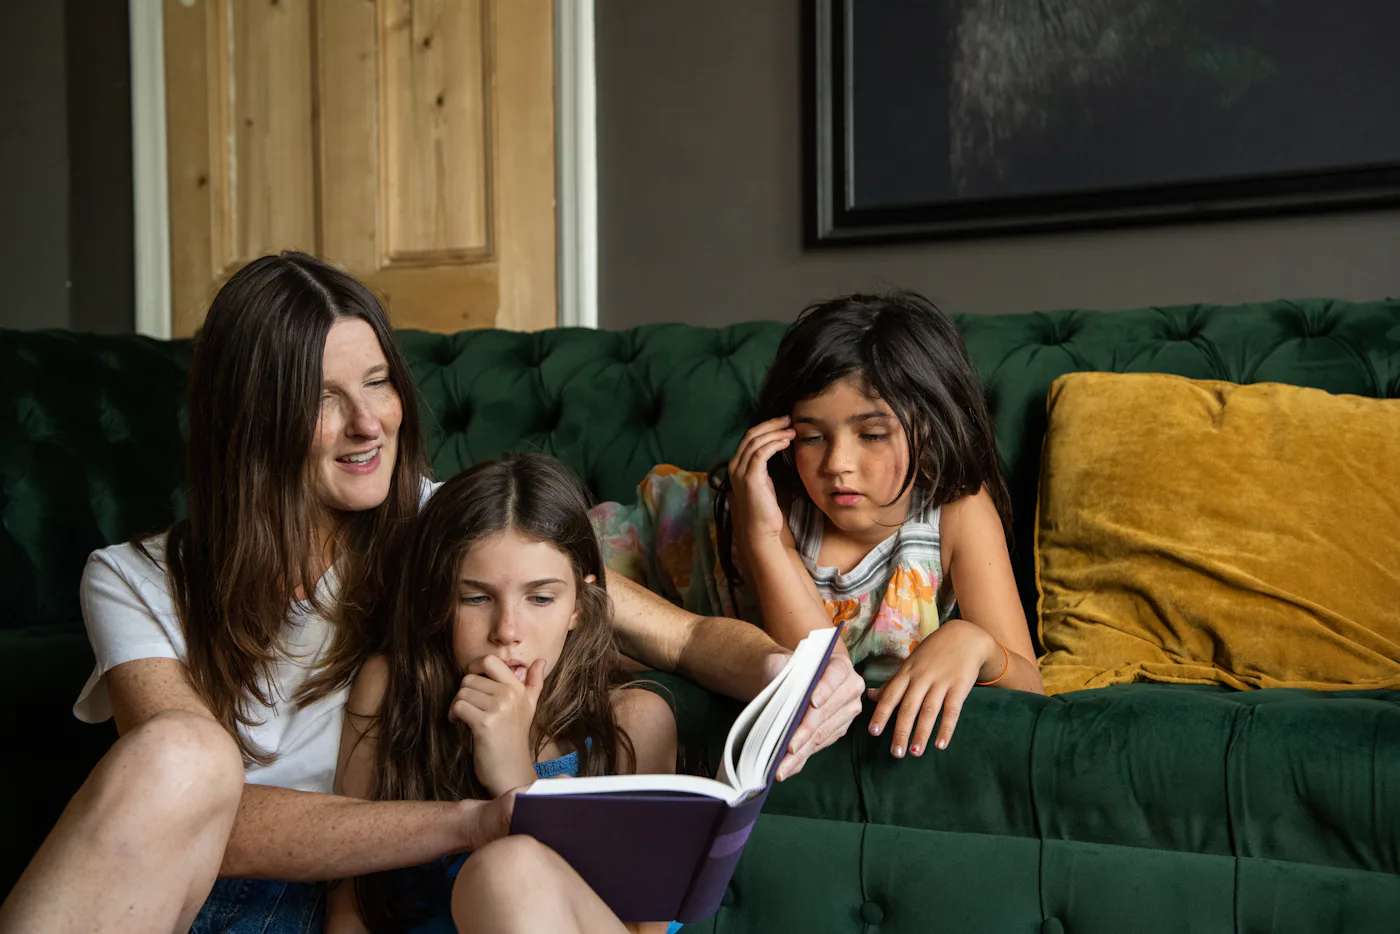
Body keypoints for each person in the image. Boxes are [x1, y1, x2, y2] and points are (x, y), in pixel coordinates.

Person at [0, 253, 863, 934]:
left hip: (382, 895)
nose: (370, 423)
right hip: (196, 899)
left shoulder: (439, 527)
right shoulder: (131, 579)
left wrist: (796, 674)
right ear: (248, 418)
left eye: (378, 383)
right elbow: (206, 819)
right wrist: (470, 819)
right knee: (182, 755)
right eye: (323, 398)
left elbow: (678, 640)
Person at [592, 291, 1043, 769]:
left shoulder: (957, 512)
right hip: (641, 558)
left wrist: (977, 644)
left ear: (929, 428)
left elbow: (1032, 691)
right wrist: (763, 537)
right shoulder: (777, 502)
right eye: (811, 437)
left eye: (871, 434)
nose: (837, 465)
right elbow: (814, 672)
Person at [326, 454, 678, 934]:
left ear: (579, 603)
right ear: (439, 601)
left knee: (507, 871)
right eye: (476, 597)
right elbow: (353, 908)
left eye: (540, 598)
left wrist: (515, 775)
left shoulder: (633, 723)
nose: (507, 631)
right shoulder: (390, 689)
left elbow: (642, 929)